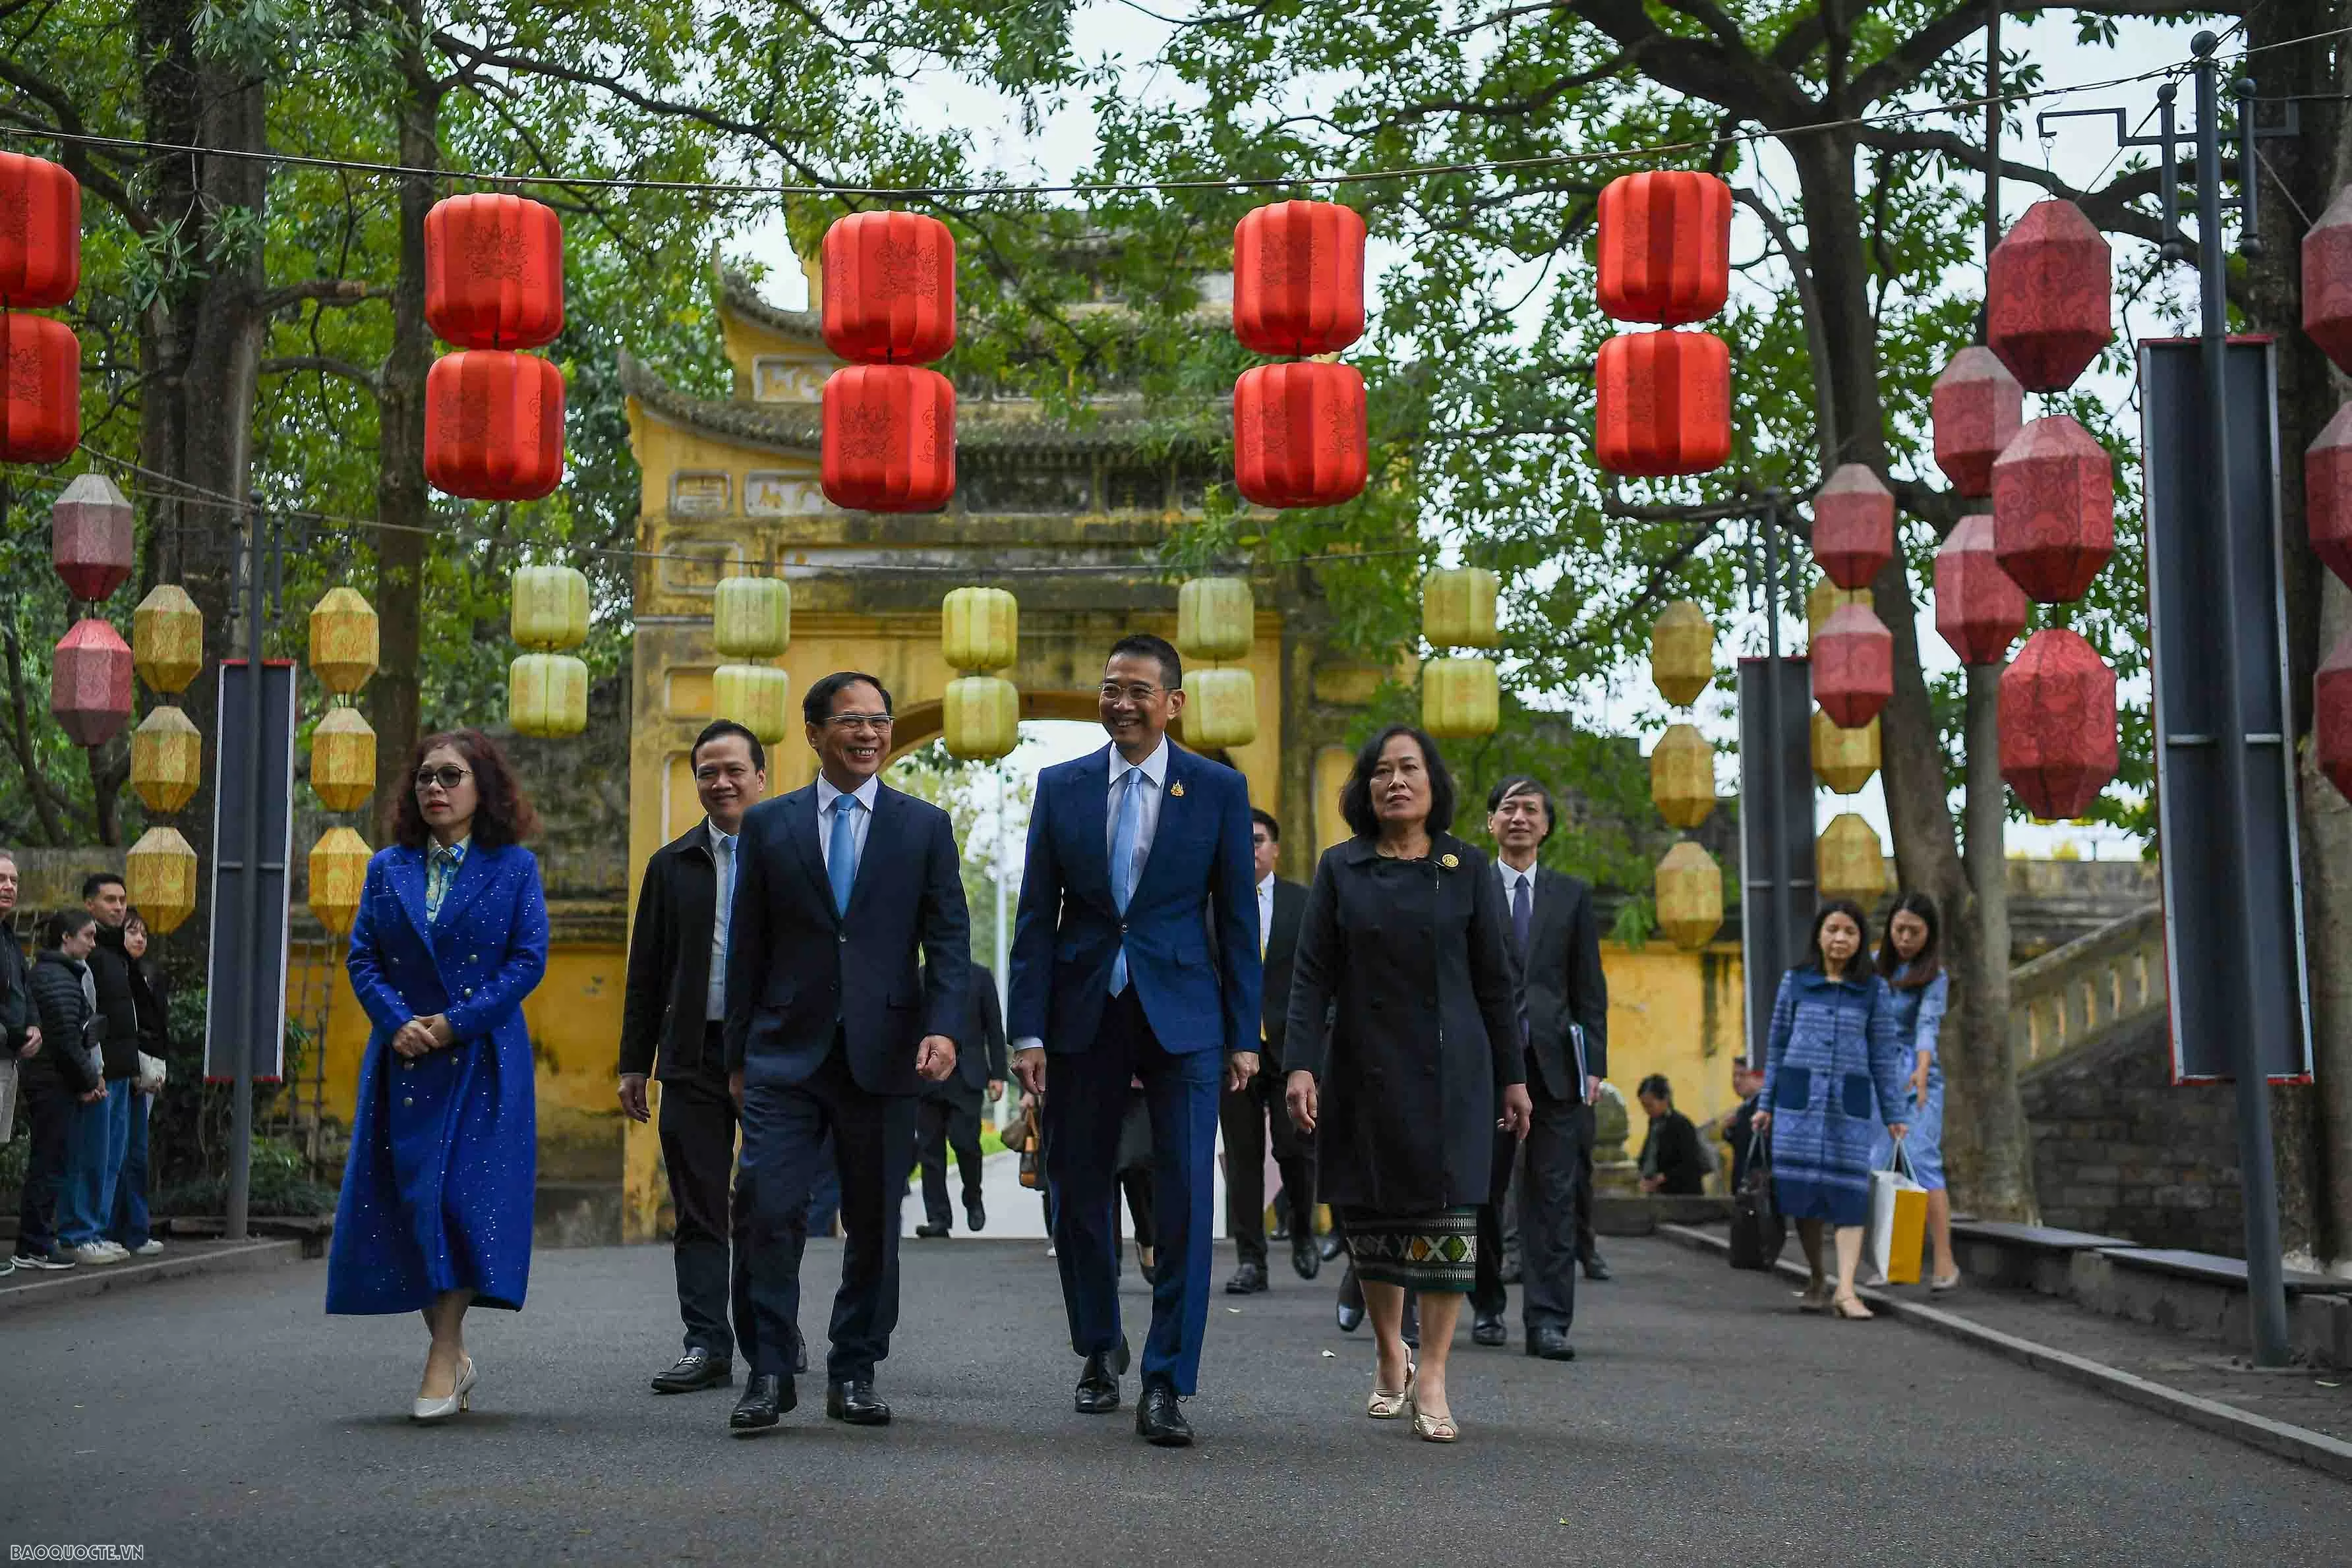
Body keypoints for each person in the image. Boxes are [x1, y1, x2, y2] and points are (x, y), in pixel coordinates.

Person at [1009, 632, 1261, 1449]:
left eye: (1138, 690)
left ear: (1173, 703)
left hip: (1184, 1015)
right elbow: (1033, 919)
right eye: (1109, 687)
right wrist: (1027, 1029)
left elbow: (1235, 922)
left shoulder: (1218, 790)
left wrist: (1243, 1033)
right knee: (1074, 1192)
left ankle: (1165, 1380)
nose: (1120, 701)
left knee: (1186, 1201)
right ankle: (1098, 1347)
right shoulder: (1061, 786)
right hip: (1083, 1013)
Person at [722, 671, 969, 1434]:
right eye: (852, 721)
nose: (869, 733)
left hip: (886, 1052)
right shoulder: (769, 827)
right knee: (768, 1208)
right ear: (813, 732)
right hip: (782, 1054)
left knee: (873, 1220)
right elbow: (747, 949)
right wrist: (737, 1056)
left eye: (880, 720)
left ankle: (855, 1369)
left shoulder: (923, 827)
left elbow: (949, 942)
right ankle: (767, 1371)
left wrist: (946, 1026)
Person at [1284, 726, 1532, 1444]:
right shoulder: (1342, 866)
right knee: (1372, 1220)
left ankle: (1433, 1373)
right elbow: (1312, 976)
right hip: (1361, 1065)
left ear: (1433, 784)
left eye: (1409, 769)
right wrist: (1301, 1062)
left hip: (1455, 1069)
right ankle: (1389, 1349)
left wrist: (1513, 1077)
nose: (1396, 781)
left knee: (1449, 1222)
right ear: (1365, 788)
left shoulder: (1467, 867)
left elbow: (1495, 981)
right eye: (1382, 771)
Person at [326, 729, 550, 1421]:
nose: (435, 788)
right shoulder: (387, 868)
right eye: (425, 777)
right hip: (405, 1065)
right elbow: (363, 957)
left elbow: (527, 958)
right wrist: (397, 1022)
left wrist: (456, 1022)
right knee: (412, 1203)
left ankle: (440, 1356)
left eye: (451, 776)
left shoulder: (513, 868)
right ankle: (452, 1354)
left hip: (482, 1063)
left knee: (458, 1201)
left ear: (483, 788)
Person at [618, 718, 773, 1395]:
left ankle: (772, 1339)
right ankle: (707, 1343)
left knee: (772, 1206)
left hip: (775, 1057)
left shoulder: (794, 856)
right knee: (700, 1207)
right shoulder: (671, 864)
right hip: (691, 1055)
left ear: (761, 777)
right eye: (708, 772)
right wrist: (634, 1061)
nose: (721, 782)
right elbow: (645, 971)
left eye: (734, 769)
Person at [1469, 776, 1606, 1360]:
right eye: (1508, 808)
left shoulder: (1570, 895)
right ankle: (1486, 1305)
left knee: (1553, 1195)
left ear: (1546, 825)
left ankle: (1549, 1319)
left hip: (1554, 1068)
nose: (1519, 818)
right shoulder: (1469, 887)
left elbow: (1588, 989)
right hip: (1484, 1066)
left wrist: (1594, 1064)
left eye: (1530, 809)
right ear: (1491, 823)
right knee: (1481, 1191)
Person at [1753, 899, 1908, 1320]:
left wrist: (1895, 1114)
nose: (1840, 939)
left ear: (1861, 940)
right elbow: (1777, 1044)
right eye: (1833, 930)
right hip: (1797, 1108)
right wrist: (1765, 1104)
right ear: (1819, 935)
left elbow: (1883, 1054)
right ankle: (1818, 1278)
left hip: (1849, 1111)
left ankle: (1846, 1290)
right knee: (1803, 1197)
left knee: (1850, 1196)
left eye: (1850, 932)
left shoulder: (1874, 990)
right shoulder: (1795, 982)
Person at [1220, 807, 1316, 1292]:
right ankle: (1251, 1259)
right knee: (1242, 1157)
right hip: (1232, 1048)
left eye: (1258, 840)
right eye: (1242, 841)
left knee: (1294, 1146)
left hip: (1288, 1047)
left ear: (1275, 849)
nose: (1250, 848)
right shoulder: (1213, 903)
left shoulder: (1305, 902)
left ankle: (1301, 1230)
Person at [1869, 892, 1957, 1290]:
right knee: (1881, 1163)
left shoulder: (1934, 976)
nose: (1905, 938)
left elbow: (1927, 1025)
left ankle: (1944, 1263)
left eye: (1915, 931)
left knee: (1922, 1160)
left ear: (1929, 934)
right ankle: (1893, 1264)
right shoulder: (1872, 968)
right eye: (1900, 929)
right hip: (1878, 1074)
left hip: (1916, 1077)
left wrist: (1922, 1067)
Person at [55, 873, 138, 1264]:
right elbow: (87, 1020)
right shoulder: (88, 958)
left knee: (112, 1157)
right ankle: (78, 1232)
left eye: (122, 900)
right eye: (110, 900)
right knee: (90, 1155)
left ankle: (97, 1229)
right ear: (90, 905)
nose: (118, 907)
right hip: (98, 1071)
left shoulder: (119, 953)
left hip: (122, 1070)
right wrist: (96, 1070)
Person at [16, 904, 96, 1273]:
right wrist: (89, 1080)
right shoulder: (56, 977)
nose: (93, 944)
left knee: (51, 1162)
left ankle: (38, 1241)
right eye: (88, 936)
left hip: (53, 1080)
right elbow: (66, 1039)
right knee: (50, 1163)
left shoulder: (58, 974)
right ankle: (35, 1243)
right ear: (67, 938)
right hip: (53, 1083)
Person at [914, 964, 1007, 1238]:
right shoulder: (919, 977)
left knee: (966, 1143)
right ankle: (938, 1218)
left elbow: (994, 1028)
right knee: (929, 1150)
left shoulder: (980, 977)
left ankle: (973, 1197)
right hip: (927, 1077)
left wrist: (998, 1074)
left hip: (968, 1077)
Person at [1, 852, 51, 1277]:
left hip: (8, 1061)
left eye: (14, 881)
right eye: (1, 879)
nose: (9, 887)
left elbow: (24, 991)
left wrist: (33, 1026)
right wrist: (13, 1035)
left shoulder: (9, 937)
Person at [107, 910, 167, 1258]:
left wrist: (157, 1068)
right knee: (121, 1153)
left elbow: (159, 1027)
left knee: (136, 1154)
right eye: (132, 932)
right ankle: (117, 1229)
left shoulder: (151, 975)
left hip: (147, 1069)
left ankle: (134, 1230)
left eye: (143, 933)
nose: (139, 939)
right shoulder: (114, 972)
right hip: (123, 1069)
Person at [1635, 1074, 1707, 1196]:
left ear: (1665, 1100)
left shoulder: (1681, 1125)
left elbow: (1690, 1164)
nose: (1647, 1111)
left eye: (1650, 1105)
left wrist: (1662, 1178)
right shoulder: (1654, 1124)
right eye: (1644, 1106)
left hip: (1683, 1195)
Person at [1722, 1059, 1769, 1191]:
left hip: (1757, 1188)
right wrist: (1730, 1130)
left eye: (1742, 1075)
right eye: (1734, 1075)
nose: (1736, 1081)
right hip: (1745, 1186)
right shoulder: (1744, 1108)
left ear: (1760, 1078)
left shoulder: (1763, 1109)